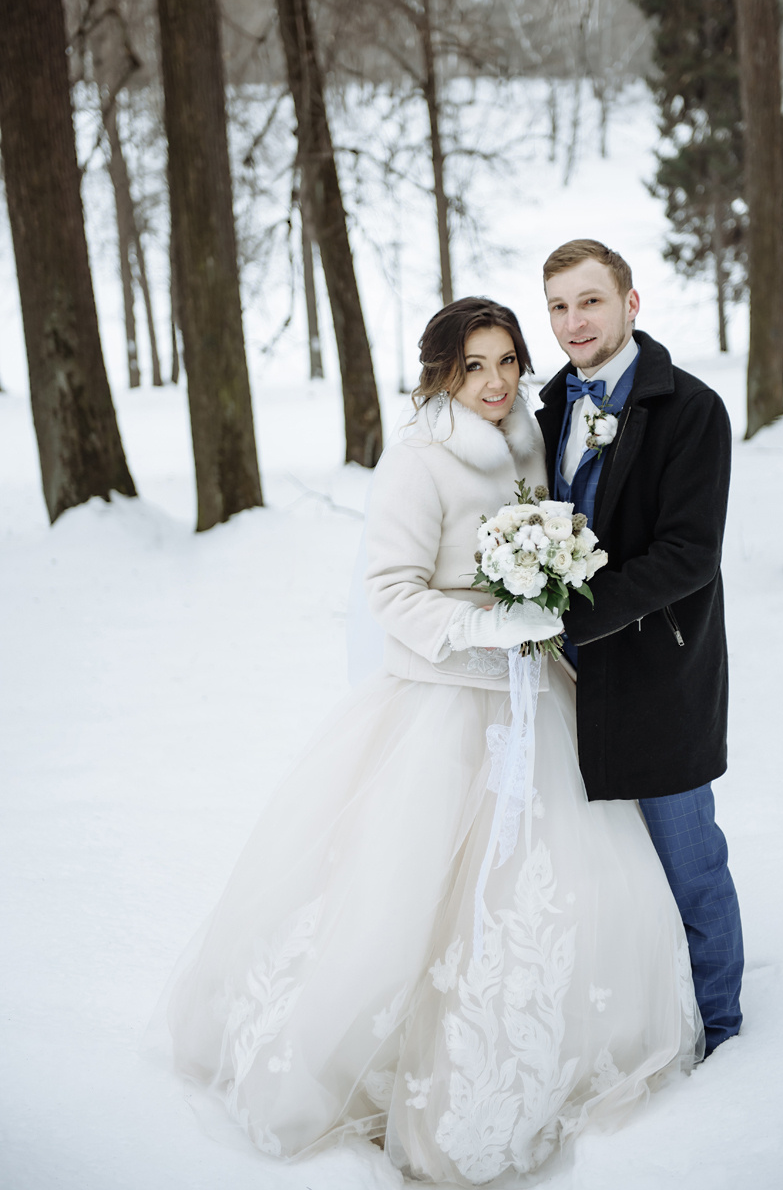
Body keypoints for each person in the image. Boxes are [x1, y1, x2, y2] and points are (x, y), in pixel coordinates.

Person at [164, 297, 702, 1187]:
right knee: (409, 891)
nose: (493, 383)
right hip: (445, 706)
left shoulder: (535, 436)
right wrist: (491, 627)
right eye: (472, 367)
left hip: (539, 699)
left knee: (558, 888)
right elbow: (392, 590)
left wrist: (553, 595)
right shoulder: (418, 462)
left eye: (505, 362)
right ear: (441, 375)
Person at [535, 238, 744, 1057]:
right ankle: (635, 1019)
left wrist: (571, 616)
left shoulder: (690, 409)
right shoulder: (548, 408)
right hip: (566, 677)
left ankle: (722, 1027)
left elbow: (689, 554)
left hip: (660, 668)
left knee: (688, 859)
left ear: (631, 303)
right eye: (557, 305)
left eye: (590, 301)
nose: (573, 321)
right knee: (602, 865)